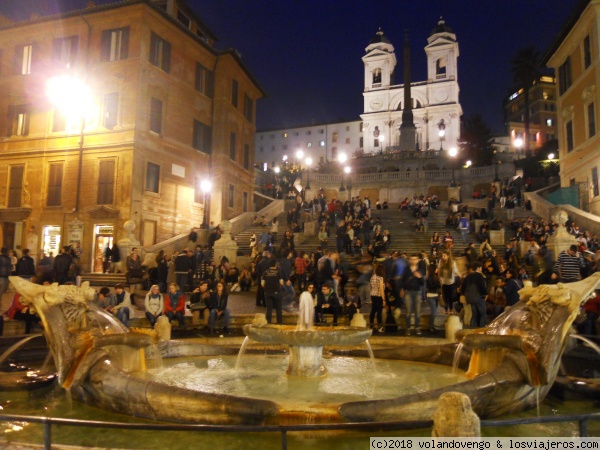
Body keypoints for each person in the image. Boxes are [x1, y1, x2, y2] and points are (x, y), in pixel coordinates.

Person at [401, 254, 425, 336]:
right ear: (409, 260)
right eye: (411, 259)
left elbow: (423, 283)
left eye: (414, 259)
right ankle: (408, 328)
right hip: (408, 291)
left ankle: (417, 328)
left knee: (417, 311)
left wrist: (420, 277)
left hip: (417, 292)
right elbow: (403, 280)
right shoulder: (406, 269)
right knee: (408, 311)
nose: (413, 261)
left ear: (418, 260)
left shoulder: (420, 270)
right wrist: (402, 289)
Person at [460, 262, 488, 328]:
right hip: (478, 297)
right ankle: (481, 329)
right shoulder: (479, 276)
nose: (481, 269)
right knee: (483, 314)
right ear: (478, 268)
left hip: (469, 298)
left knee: (474, 314)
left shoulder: (468, 276)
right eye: (481, 268)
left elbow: (463, 287)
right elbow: (482, 287)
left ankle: (473, 329)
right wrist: (485, 293)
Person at [261, 258, 284, 324]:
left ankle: (268, 323)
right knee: (278, 310)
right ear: (275, 264)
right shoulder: (278, 272)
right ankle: (279, 324)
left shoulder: (265, 272)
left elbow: (262, 284)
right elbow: (281, 283)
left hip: (268, 292)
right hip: (277, 292)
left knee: (269, 309)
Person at [437, 250, 458, 315]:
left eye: (444, 256)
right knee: (445, 296)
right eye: (442, 255)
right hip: (444, 282)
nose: (443, 257)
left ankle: (451, 309)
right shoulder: (441, 262)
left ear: (448, 256)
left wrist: (459, 274)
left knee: (450, 296)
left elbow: (455, 270)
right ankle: (446, 309)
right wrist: (439, 277)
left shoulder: (452, 263)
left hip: (451, 282)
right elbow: (439, 270)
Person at [368, 265, 386, 331]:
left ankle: (371, 325)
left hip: (373, 294)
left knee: (373, 310)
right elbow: (381, 289)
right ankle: (380, 326)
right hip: (379, 296)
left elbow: (371, 286)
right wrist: (383, 299)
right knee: (379, 311)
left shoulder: (372, 277)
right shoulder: (380, 278)